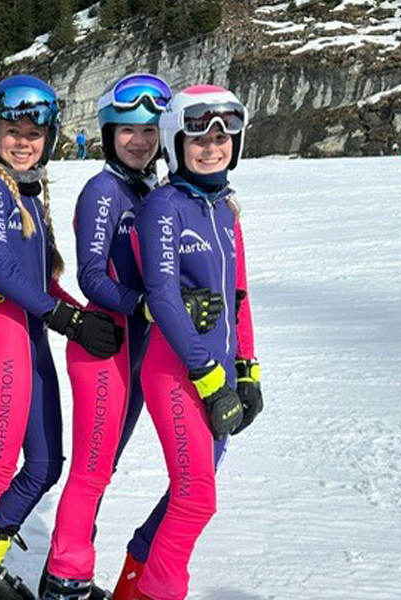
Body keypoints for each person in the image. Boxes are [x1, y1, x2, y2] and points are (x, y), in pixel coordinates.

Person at [0, 75, 123, 600]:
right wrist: (67, 320)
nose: (23, 142)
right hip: (2, 340)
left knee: (45, 465)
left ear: (49, 138)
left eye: (34, 134)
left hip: (32, 340)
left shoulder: (30, 191)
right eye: (13, 131)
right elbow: (1, 269)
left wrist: (84, 314)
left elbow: (42, 279)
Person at [128, 84, 263, 600]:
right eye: (199, 138)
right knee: (197, 499)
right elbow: (162, 297)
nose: (212, 147)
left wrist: (246, 370)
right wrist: (208, 378)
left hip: (221, 375)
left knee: (181, 499)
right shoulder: (164, 207)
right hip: (176, 371)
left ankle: (130, 587)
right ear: (175, 143)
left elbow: (239, 295)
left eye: (222, 137)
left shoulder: (225, 209)